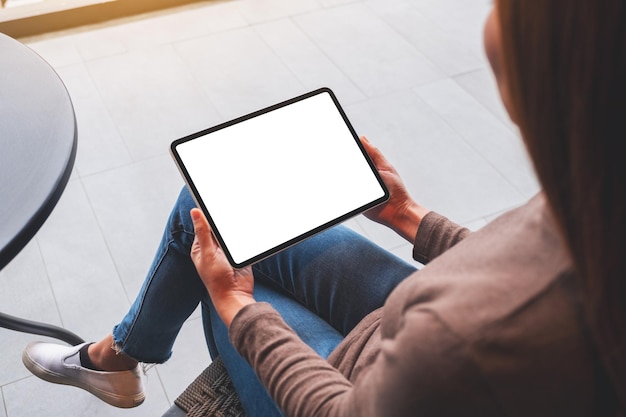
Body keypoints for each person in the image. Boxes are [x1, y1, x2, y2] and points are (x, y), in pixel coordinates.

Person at [22, 0, 625, 415]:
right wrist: (410, 217)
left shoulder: (462, 343)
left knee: (211, 242)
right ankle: (119, 353)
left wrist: (239, 307)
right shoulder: (596, 189)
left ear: (558, 67)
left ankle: (117, 356)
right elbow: (540, 253)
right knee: (215, 205)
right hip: (415, 328)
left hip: (369, 381)